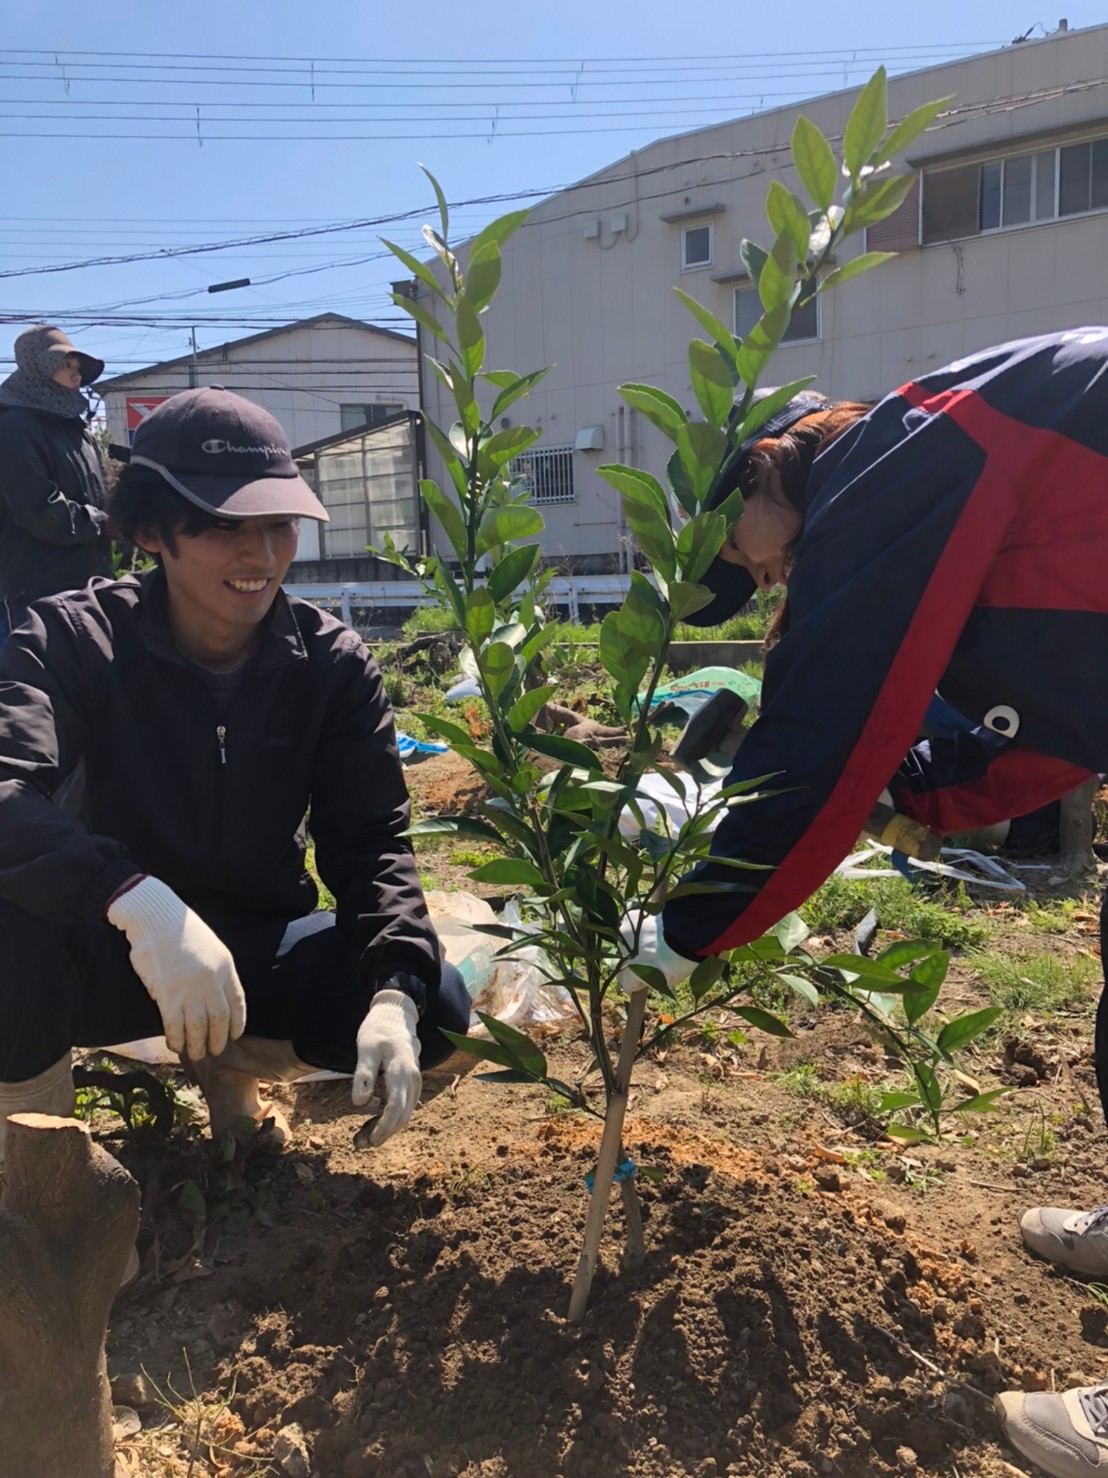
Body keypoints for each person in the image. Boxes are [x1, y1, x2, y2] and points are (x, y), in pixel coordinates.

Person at [615, 328, 1108, 1478]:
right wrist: (902, 792)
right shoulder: (918, 450)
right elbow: (1048, 710)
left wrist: (685, 928)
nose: (759, 583)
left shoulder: (901, 453)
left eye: (743, 560)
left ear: (760, 475)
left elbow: (827, 733)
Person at [0, 385, 471, 1179]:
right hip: (106, 944)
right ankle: (43, 1172)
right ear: (151, 531)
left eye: (278, 525)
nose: (260, 557)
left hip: (250, 949)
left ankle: (230, 1066)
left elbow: (370, 840)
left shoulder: (328, 664)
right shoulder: (71, 639)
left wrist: (394, 988)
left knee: (440, 1006)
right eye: (223, 527)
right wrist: (131, 897)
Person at [0, 324, 113, 640]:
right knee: (34, 685)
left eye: (78, 367)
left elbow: (98, 496)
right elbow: (38, 508)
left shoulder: (79, 432)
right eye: (66, 365)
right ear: (38, 367)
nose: (76, 375)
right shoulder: (14, 427)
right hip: (37, 596)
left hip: (89, 587)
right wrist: (105, 523)